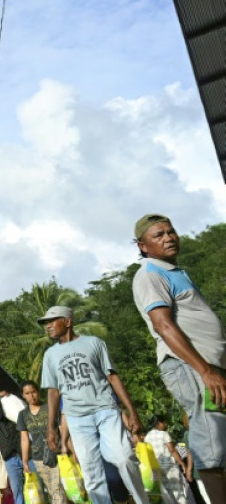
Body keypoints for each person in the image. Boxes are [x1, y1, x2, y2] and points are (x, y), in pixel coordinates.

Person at [131, 214, 226, 503]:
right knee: (211, 442)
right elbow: (164, 325)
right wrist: (205, 371)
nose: (169, 237)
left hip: (207, 366)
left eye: (170, 232)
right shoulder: (150, 274)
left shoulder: (175, 271)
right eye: (158, 235)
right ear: (143, 246)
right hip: (191, 368)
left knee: (220, 438)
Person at [39, 305, 150, 504]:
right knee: (92, 474)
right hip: (76, 418)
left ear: (68, 321)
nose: (48, 326)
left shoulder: (94, 343)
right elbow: (53, 392)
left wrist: (132, 412)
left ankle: (142, 501)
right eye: (46, 323)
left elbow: (113, 377)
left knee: (124, 458)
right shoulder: (50, 355)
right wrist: (51, 428)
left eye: (52, 321)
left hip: (105, 410)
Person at [17, 380, 66, 504]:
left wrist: (65, 446)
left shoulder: (50, 408)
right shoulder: (23, 415)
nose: (31, 396)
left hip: (57, 454)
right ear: (23, 396)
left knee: (57, 489)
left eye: (33, 392)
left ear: (38, 392)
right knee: (52, 490)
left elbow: (61, 428)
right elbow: (24, 439)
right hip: (39, 458)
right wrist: (25, 461)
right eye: (27, 393)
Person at [144, 414, 190, 504]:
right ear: (159, 423)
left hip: (156, 468)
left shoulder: (147, 437)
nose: (165, 425)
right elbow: (172, 450)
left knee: (167, 493)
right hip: (169, 466)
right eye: (164, 423)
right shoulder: (163, 434)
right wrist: (181, 463)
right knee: (178, 491)